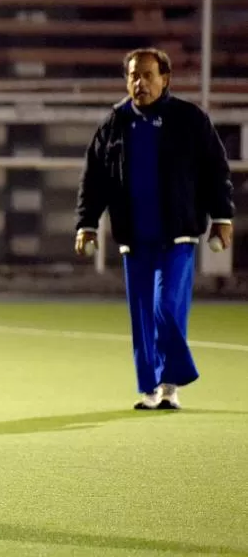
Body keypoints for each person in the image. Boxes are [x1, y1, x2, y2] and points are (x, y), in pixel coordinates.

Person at [75, 47, 234, 410]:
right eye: (134, 75)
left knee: (165, 308)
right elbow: (94, 178)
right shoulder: (114, 122)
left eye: (148, 75)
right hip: (135, 237)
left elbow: (215, 169)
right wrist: (86, 223)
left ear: (165, 80)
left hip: (177, 236)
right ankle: (150, 388)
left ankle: (172, 381)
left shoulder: (189, 119)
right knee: (142, 316)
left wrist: (222, 218)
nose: (140, 82)